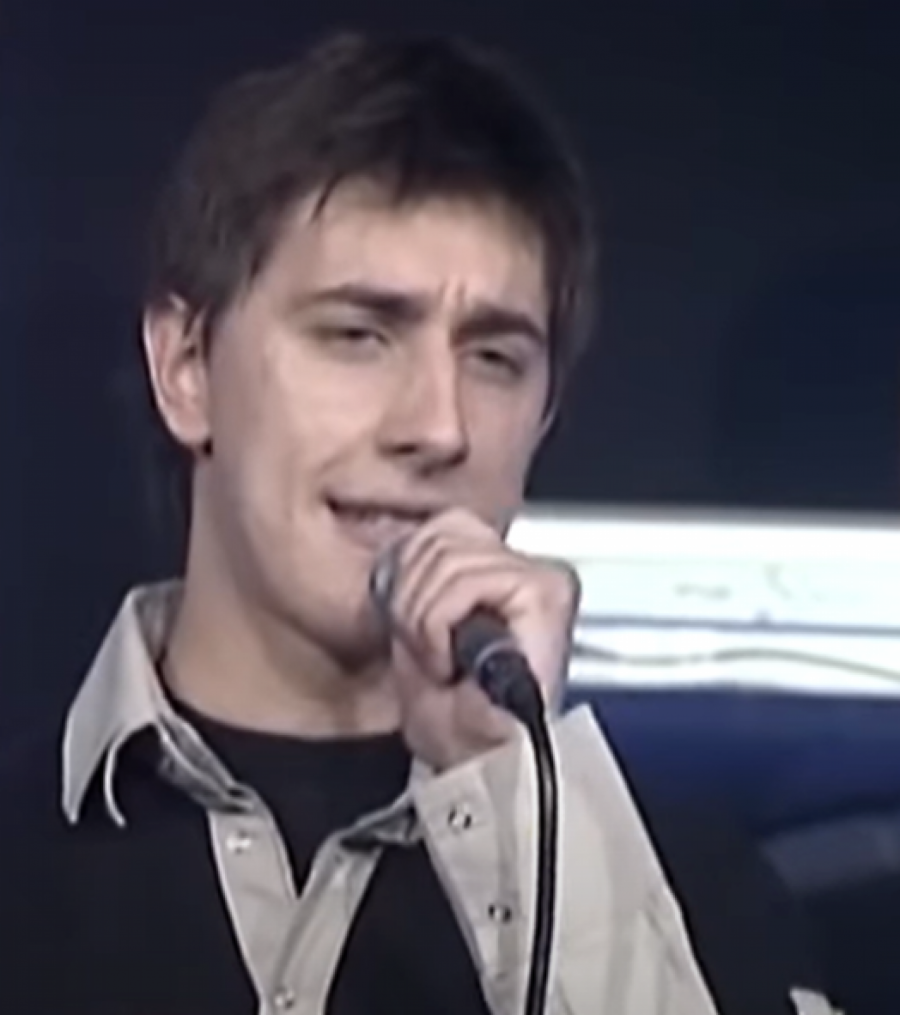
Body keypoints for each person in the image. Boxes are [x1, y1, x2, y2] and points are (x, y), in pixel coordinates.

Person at [0, 29, 836, 1015]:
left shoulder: (700, 899)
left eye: (494, 358)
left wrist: (505, 794)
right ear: (186, 368)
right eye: (358, 336)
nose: (439, 427)